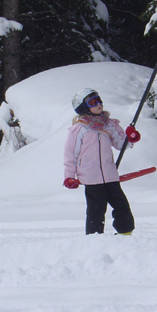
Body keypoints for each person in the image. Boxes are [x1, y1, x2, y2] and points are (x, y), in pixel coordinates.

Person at [63, 88, 141, 235]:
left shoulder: (108, 125)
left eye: (99, 100)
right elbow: (70, 154)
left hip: (110, 175)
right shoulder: (79, 128)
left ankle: (126, 233)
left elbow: (120, 144)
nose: (99, 104)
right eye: (93, 102)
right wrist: (69, 176)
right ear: (83, 107)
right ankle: (94, 239)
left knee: (122, 206)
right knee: (96, 211)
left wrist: (130, 138)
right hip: (91, 178)